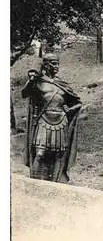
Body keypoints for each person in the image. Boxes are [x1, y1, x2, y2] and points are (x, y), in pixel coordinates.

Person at [21, 52, 82, 183]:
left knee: (59, 154)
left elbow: (77, 102)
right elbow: (24, 94)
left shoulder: (62, 84)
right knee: (40, 154)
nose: (57, 66)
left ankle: (56, 182)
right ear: (46, 65)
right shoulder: (38, 82)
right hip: (44, 122)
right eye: (54, 63)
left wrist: (70, 109)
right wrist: (30, 80)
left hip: (61, 122)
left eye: (58, 63)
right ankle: (35, 183)